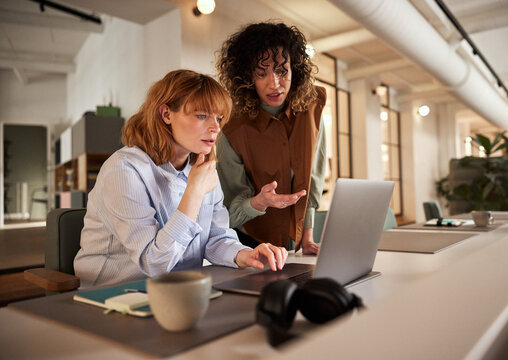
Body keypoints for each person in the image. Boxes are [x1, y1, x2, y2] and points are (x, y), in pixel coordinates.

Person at [74, 69, 288, 288]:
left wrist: (245, 255)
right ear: (166, 114)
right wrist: (194, 191)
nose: (215, 127)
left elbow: (216, 238)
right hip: (115, 295)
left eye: (219, 118)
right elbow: (154, 263)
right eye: (202, 115)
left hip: (181, 290)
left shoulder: (203, 169)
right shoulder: (123, 171)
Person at [216, 22, 326, 255]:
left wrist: (307, 237)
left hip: (297, 246)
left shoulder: (312, 107)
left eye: (281, 71)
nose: (274, 84)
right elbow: (230, 212)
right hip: (250, 244)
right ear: (247, 78)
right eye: (261, 73)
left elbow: (312, 179)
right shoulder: (230, 127)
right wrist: (260, 202)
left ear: (295, 69)